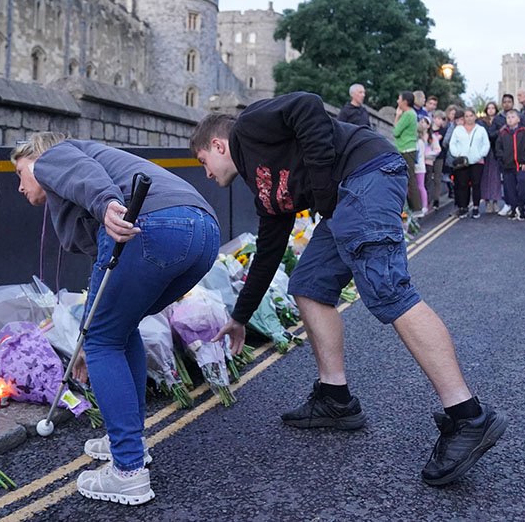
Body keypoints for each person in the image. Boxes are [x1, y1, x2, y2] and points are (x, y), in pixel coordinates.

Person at [189, 93, 507, 486]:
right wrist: (239, 317)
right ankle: (335, 398)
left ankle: (468, 415)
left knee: (388, 291)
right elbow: (267, 256)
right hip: (344, 196)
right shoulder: (265, 192)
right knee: (308, 284)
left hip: (366, 175)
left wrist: (322, 194)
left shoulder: (249, 127)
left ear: (218, 145)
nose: (205, 174)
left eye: (202, 162)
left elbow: (306, 106)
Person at [11, 132, 220, 506]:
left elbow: (84, 174)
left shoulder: (52, 157)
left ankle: (128, 472)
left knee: (104, 341)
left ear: (33, 158)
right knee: (118, 331)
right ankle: (129, 441)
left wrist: (108, 202)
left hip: (151, 226)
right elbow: (104, 275)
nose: (20, 185)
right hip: (202, 232)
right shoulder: (95, 166)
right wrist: (89, 334)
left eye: (19, 172)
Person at [449, 107, 490, 219]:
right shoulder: (458, 130)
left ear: (475, 116)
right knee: (463, 185)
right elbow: (452, 144)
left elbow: (486, 144)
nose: (469, 118)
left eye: (471, 115)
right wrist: (457, 154)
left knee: (476, 184)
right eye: (466, 116)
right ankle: (463, 207)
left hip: (477, 161)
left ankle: (476, 207)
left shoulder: (481, 130)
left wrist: (480, 155)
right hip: (462, 162)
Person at [494, 109, 525, 220]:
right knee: (509, 188)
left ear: (518, 119)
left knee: (522, 186)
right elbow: (498, 148)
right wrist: (502, 159)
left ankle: (520, 207)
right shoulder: (503, 133)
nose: (510, 119)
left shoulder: (524, 131)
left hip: (521, 165)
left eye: (512, 117)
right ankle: (514, 208)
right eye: (508, 117)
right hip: (507, 166)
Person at [394, 91, 423, 213]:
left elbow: (396, 132)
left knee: (410, 179)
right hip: (409, 149)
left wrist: (397, 116)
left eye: (399, 99)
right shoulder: (412, 114)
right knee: (410, 179)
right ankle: (414, 208)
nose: (397, 101)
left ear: (405, 101)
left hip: (406, 149)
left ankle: (416, 208)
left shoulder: (407, 115)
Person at [480, 102, 505, 214]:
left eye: (493, 108)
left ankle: (495, 202)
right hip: (485, 152)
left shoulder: (500, 120)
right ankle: (487, 202)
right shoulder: (481, 121)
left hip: (496, 151)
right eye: (488, 108)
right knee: (485, 178)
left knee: (495, 178)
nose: (490, 110)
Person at [424, 112, 445, 211]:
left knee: (437, 178)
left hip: (439, 157)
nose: (439, 121)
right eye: (438, 118)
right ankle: (427, 200)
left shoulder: (443, 130)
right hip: (428, 158)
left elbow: (439, 141)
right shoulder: (429, 130)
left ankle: (436, 200)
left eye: (442, 119)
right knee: (428, 179)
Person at [414, 119, 429, 218]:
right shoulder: (420, 141)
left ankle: (424, 206)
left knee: (420, 186)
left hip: (419, 167)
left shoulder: (419, 142)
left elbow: (416, 155)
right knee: (418, 186)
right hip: (419, 166)